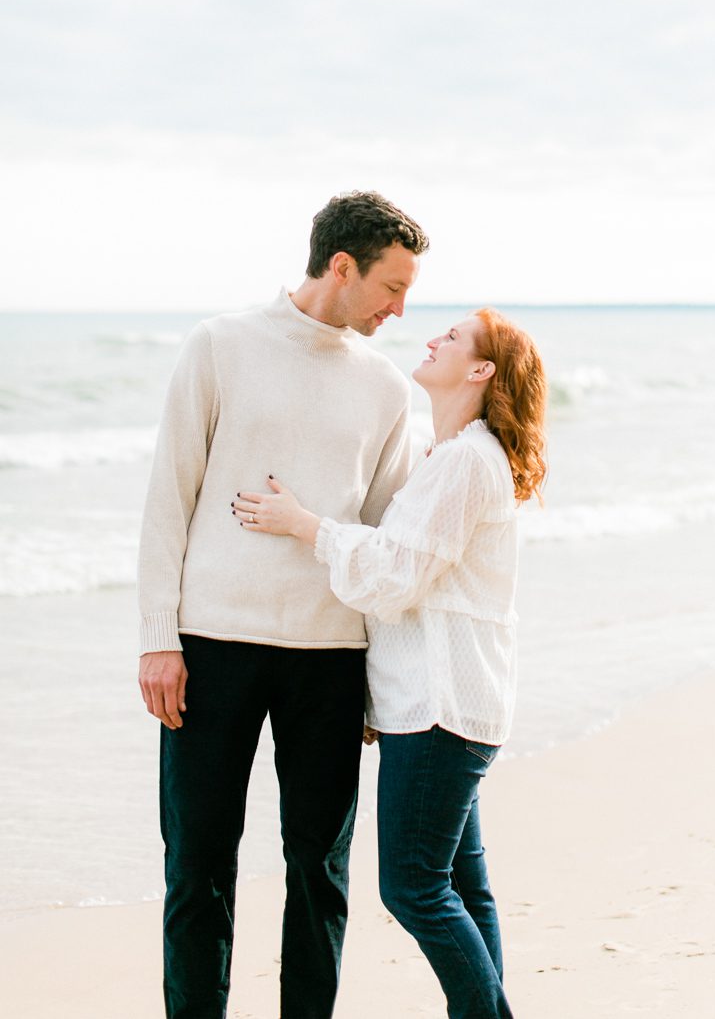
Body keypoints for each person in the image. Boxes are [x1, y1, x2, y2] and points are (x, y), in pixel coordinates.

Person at [137, 190, 429, 1019]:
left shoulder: (385, 386)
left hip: (332, 662)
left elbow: (380, 538)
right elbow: (169, 497)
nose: (400, 311)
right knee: (197, 866)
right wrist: (159, 637)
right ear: (341, 266)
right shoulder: (220, 346)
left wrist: (384, 675)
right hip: (212, 646)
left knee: (320, 872)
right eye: (391, 288)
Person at [232, 307, 548, 1018]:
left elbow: (397, 578)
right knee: (460, 889)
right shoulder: (453, 457)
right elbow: (412, 583)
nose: (433, 337)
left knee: (413, 887)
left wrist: (305, 525)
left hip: (440, 711)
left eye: (454, 337)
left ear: (480, 371)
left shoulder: (466, 462)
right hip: (446, 706)